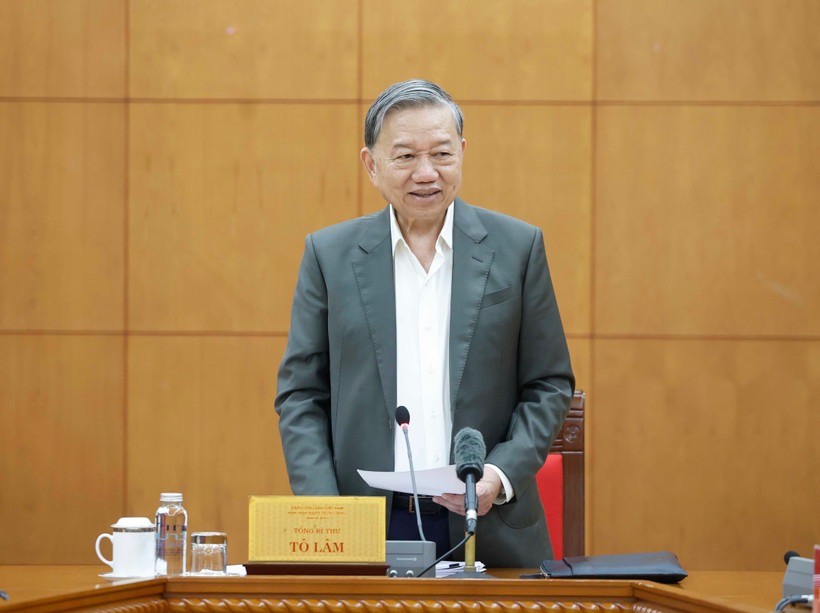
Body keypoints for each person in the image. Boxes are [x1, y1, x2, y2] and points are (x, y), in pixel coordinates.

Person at [275, 79, 574, 568]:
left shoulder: (518, 248)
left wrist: (499, 474)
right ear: (371, 165)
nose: (427, 173)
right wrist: (327, 513)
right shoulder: (329, 256)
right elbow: (301, 396)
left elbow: (549, 384)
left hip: (486, 522)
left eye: (442, 154)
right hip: (364, 524)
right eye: (405, 156)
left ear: (463, 153)